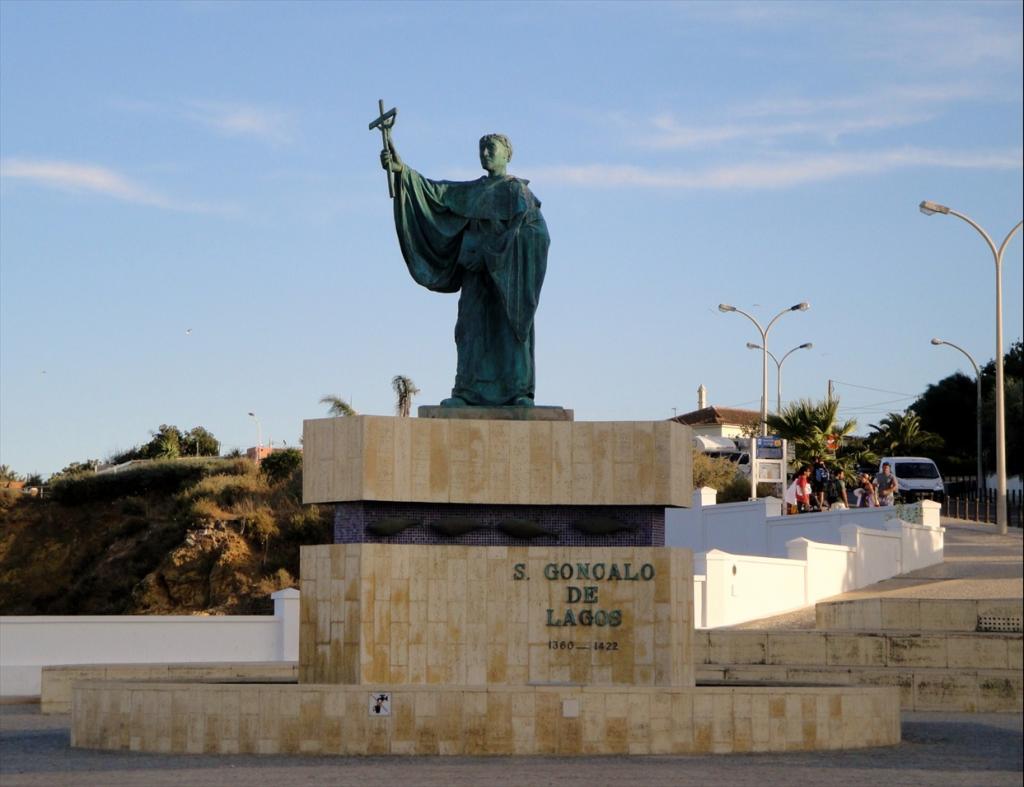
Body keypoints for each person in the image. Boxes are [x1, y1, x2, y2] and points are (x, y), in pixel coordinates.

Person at [381, 133, 549, 407]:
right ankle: (467, 392)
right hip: (475, 276)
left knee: (509, 331)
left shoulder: (518, 192)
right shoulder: (471, 191)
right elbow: (436, 193)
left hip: (508, 278)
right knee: (469, 330)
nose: (485, 153)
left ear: (507, 154)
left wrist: (493, 250)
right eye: (481, 149)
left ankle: (516, 392)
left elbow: (538, 234)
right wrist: (402, 172)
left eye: (491, 148)